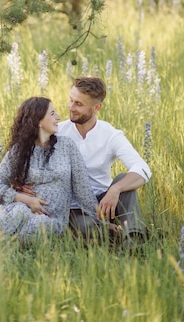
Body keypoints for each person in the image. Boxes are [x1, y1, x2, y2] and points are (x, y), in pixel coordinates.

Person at [0, 96, 99, 244]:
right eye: (52, 114)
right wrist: (26, 199)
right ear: (38, 120)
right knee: (20, 211)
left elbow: (83, 190)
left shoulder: (67, 146)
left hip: (51, 220)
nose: (58, 117)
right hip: (16, 210)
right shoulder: (20, 151)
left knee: (39, 223)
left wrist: (101, 220)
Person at [57, 76, 152, 248]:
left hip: (105, 204)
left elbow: (143, 169)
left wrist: (115, 189)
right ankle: (112, 233)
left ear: (96, 107)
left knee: (125, 181)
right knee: (84, 226)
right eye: (71, 101)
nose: (71, 107)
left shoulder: (110, 134)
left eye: (79, 104)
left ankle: (133, 241)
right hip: (73, 207)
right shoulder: (58, 132)